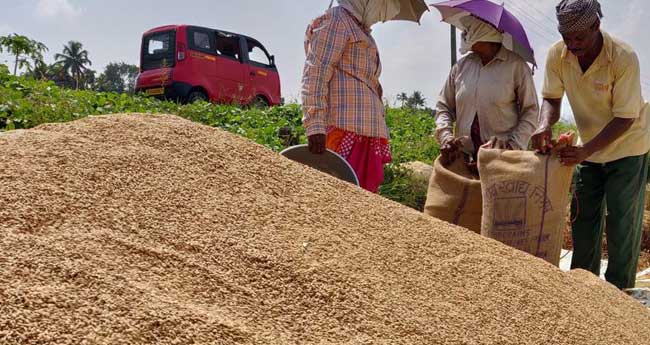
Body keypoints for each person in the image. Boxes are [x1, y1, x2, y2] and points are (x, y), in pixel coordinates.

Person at [532, 0, 650, 289]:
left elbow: (625, 118)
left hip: (629, 146)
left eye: (579, 37)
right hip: (589, 147)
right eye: (566, 37)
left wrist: (586, 150)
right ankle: (584, 291)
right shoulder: (558, 55)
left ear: (596, 26)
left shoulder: (622, 57)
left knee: (621, 223)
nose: (572, 44)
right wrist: (544, 124)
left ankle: (619, 292)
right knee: (583, 219)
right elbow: (551, 97)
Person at [301, 0, 399, 193]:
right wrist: (315, 125)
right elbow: (316, 72)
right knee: (337, 195)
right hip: (344, 130)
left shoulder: (361, 30)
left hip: (368, 132)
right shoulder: (336, 20)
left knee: (361, 204)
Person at [435, 16, 539, 165]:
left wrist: (512, 147)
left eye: (469, 28)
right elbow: (443, 106)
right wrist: (446, 137)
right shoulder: (461, 67)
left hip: (502, 160)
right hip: (462, 158)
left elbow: (531, 112)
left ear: (483, 31)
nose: (465, 33)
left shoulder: (516, 67)